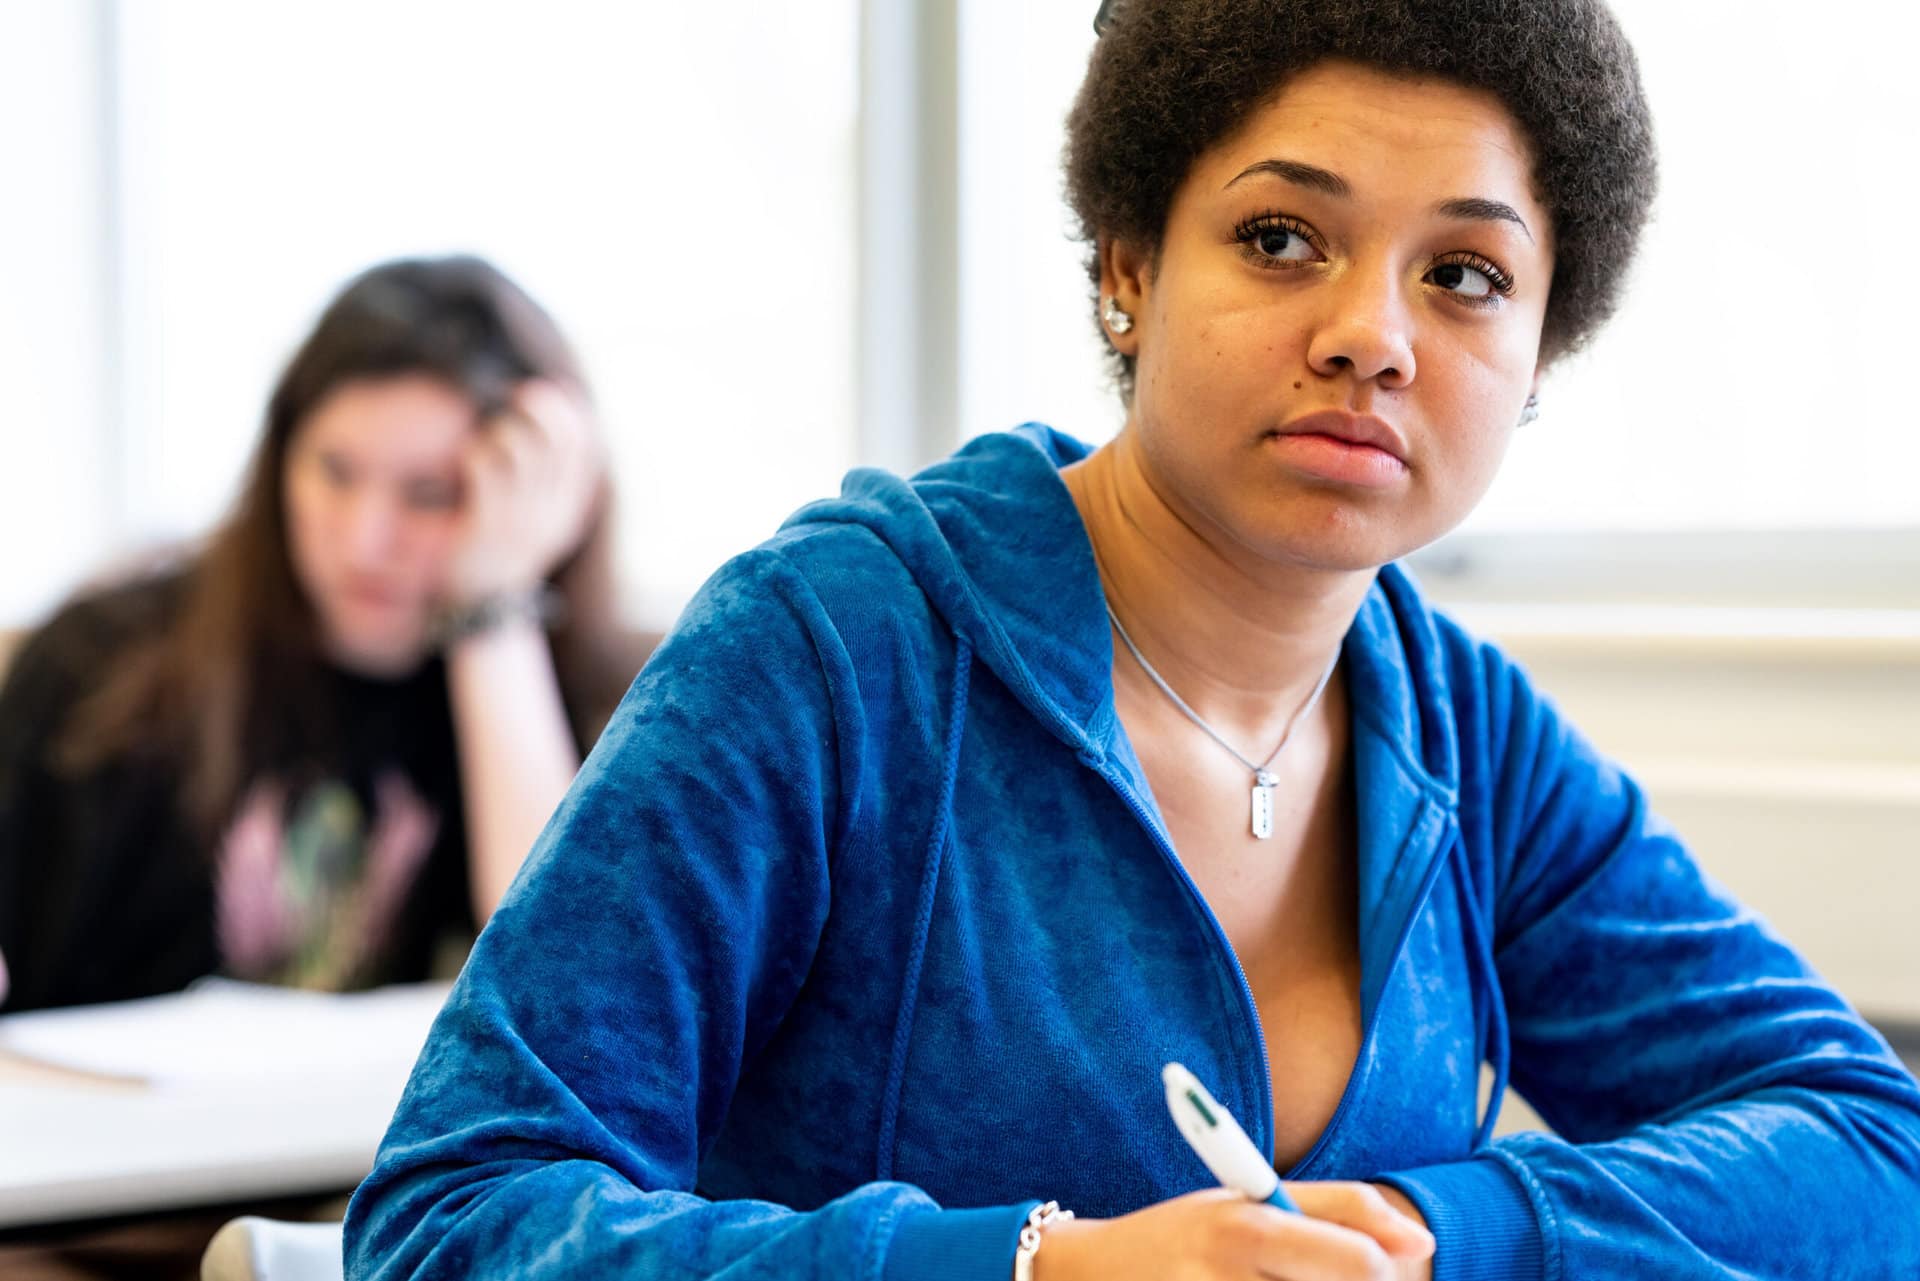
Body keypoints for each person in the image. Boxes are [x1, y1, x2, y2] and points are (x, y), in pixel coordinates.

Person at [344, 3, 1920, 1279]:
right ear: (1128, 268)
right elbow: (447, 1219)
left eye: (1465, 276)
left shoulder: (1462, 731)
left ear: (1536, 357)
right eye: (1284, 238)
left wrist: (1439, 1229)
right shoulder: (835, 652)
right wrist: (1039, 1271)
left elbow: (1873, 1146)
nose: (1373, 333)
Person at [0, 254, 654, 1013]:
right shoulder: (101, 663)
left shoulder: (600, 701)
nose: (364, 542)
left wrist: (495, 615)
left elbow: (563, 985)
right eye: (335, 473)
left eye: (430, 493)